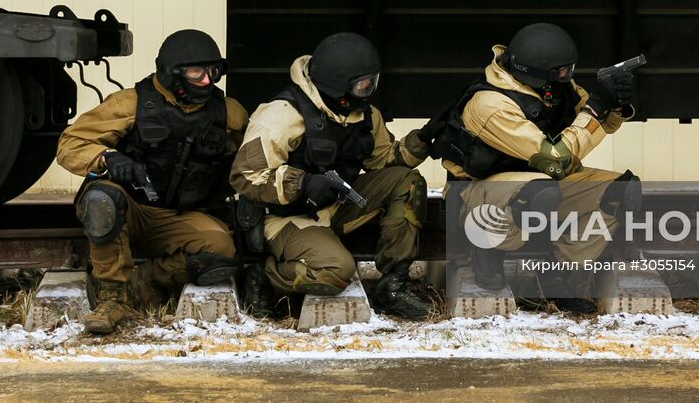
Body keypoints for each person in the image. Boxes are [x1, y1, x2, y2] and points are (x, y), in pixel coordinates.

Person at [424, 22, 639, 313]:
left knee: (621, 192)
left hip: (543, 184)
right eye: (563, 71)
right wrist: (595, 109)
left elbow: (592, 122)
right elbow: (555, 160)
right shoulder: (491, 104)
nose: (569, 76)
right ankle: (487, 248)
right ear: (536, 73)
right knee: (538, 191)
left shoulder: (555, 88)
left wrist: (615, 105)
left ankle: (555, 273)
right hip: (478, 194)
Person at [230, 32, 433, 320]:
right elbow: (245, 176)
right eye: (363, 85)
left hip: (337, 204)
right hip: (287, 217)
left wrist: (424, 138)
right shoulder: (283, 114)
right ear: (338, 85)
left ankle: (393, 286)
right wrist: (302, 183)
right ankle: (264, 275)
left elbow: (384, 162)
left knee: (406, 182)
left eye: (371, 82)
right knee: (337, 272)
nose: (369, 91)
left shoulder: (364, 114)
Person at [56, 28, 247, 334]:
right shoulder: (128, 104)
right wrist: (107, 157)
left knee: (222, 249)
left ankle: (143, 279)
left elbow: (252, 158)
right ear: (173, 74)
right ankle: (111, 296)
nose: (207, 82)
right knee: (101, 198)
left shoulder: (229, 113)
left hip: (178, 216)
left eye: (213, 72)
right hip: (130, 209)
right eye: (197, 73)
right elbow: (69, 145)